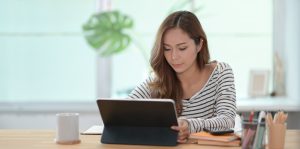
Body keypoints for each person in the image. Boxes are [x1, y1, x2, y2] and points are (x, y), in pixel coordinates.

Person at [128, 10, 236, 143]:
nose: (174, 57)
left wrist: (189, 125)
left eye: (182, 48)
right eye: (167, 49)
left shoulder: (221, 73)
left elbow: (227, 121)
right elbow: (122, 114)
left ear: (199, 45)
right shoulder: (158, 81)